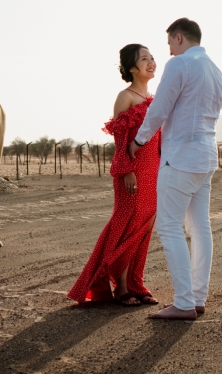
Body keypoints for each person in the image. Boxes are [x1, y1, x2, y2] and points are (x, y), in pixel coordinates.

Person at [129, 18, 222, 320]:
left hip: (180, 157)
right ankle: (197, 298)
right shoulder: (215, 70)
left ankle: (184, 303)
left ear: (180, 37)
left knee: (169, 226)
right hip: (206, 157)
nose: (169, 51)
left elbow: (160, 108)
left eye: (170, 43)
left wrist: (139, 139)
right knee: (200, 228)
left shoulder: (180, 65)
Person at [68, 44, 161, 306]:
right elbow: (121, 142)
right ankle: (120, 288)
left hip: (153, 172)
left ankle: (136, 283)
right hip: (130, 172)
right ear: (132, 67)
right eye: (144, 59)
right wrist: (126, 171)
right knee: (126, 226)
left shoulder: (153, 99)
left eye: (152, 58)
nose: (151, 62)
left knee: (143, 227)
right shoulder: (125, 97)